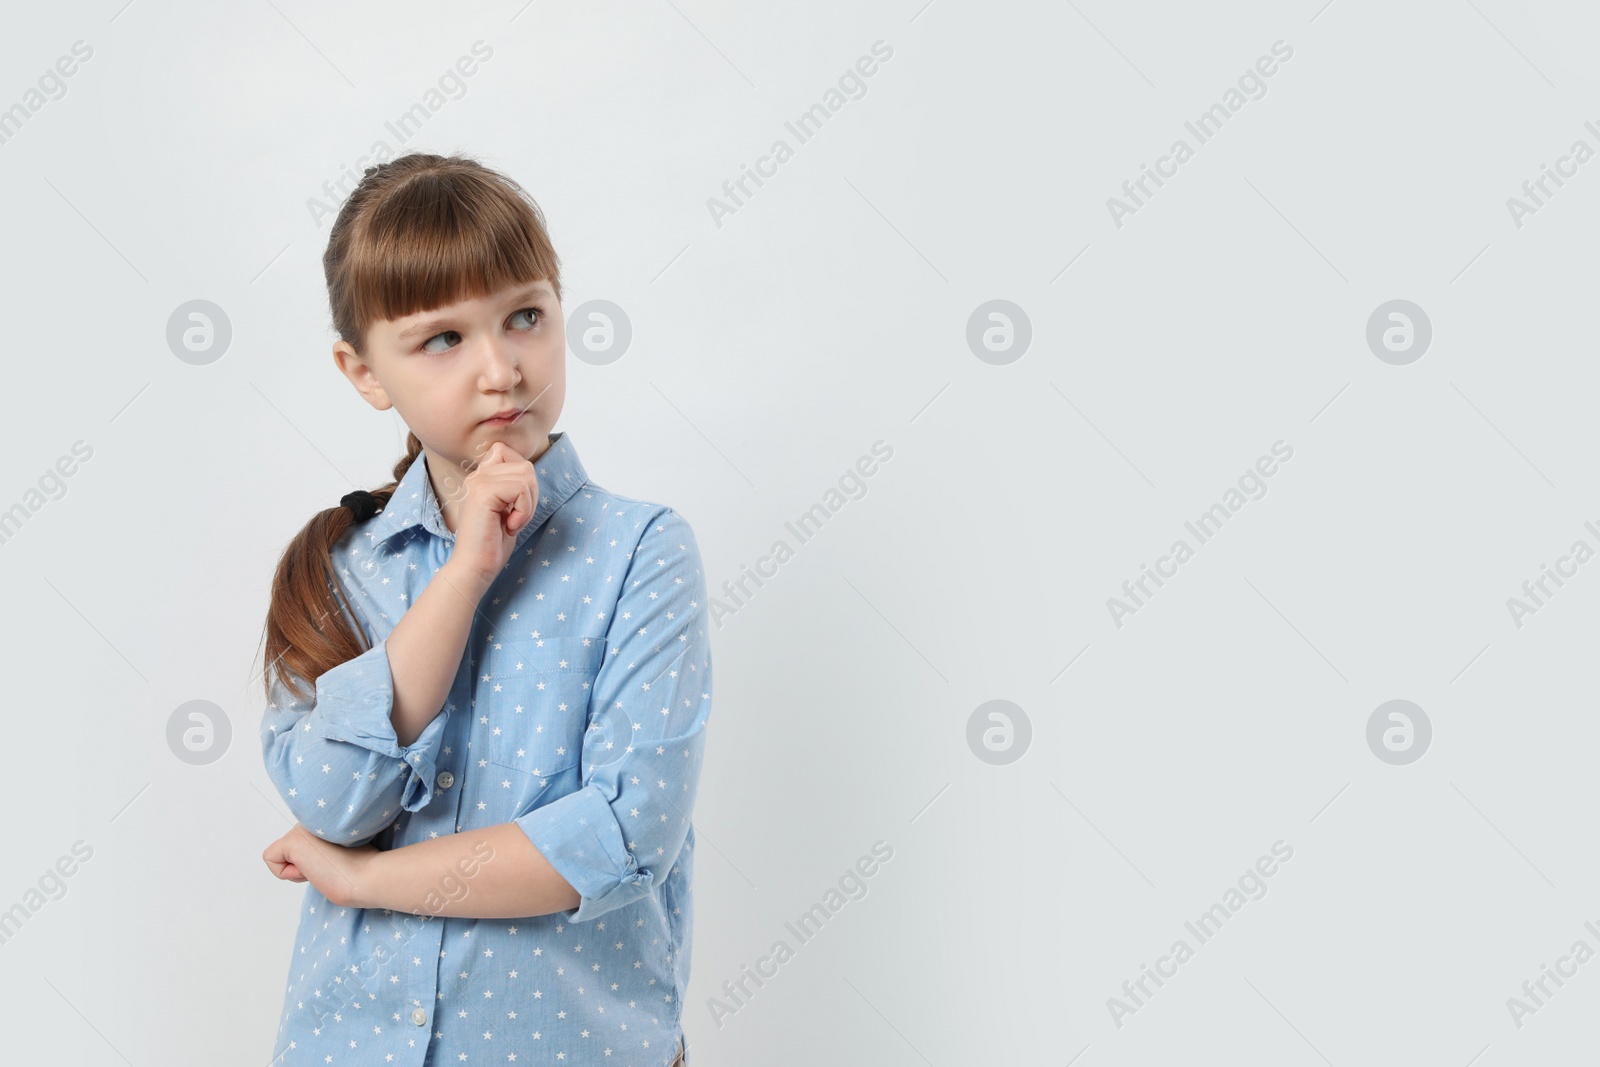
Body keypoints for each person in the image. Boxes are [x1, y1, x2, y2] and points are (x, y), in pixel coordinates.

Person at [255, 152, 708, 1067]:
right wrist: (463, 574)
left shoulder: (640, 553)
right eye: (442, 339)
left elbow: (621, 838)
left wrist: (368, 879)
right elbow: (336, 800)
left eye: (526, 317)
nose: (501, 369)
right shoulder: (340, 568)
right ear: (363, 371)